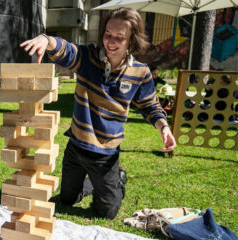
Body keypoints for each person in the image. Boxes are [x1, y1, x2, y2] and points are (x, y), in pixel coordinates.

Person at [20, 7, 176, 219]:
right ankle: (97, 183)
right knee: (67, 200)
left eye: (119, 38)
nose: (110, 42)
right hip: (76, 147)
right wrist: (46, 40)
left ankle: (117, 179)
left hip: (106, 154)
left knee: (107, 212)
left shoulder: (141, 72)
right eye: (107, 35)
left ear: (131, 40)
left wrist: (164, 127)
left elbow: (150, 106)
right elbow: (66, 50)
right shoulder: (87, 57)